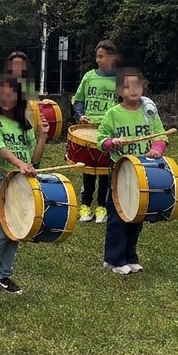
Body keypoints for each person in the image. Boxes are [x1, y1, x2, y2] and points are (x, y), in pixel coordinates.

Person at [0, 74, 48, 295]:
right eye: (1, 94)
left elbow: (34, 159)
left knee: (17, 229)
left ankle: (4, 274)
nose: (5, 98)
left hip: (22, 183)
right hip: (1, 181)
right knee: (1, 231)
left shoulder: (24, 126)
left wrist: (42, 137)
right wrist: (19, 163)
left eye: (11, 94)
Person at [97, 68, 168, 274]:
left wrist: (157, 148)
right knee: (119, 214)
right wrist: (111, 143)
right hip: (120, 170)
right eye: (127, 86)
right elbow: (100, 140)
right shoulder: (113, 114)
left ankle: (130, 256)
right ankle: (113, 259)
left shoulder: (149, 112)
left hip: (143, 171)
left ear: (143, 86)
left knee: (137, 214)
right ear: (119, 91)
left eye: (137, 85)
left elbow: (161, 135)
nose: (133, 90)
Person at [71, 39, 120, 223]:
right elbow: (78, 99)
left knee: (105, 170)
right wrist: (80, 115)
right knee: (88, 169)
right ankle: (85, 205)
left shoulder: (120, 78)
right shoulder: (89, 76)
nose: (98, 60)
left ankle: (102, 206)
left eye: (101, 56)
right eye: (97, 56)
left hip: (108, 130)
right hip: (88, 129)